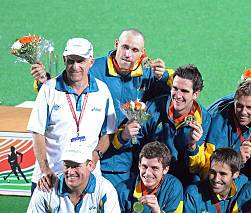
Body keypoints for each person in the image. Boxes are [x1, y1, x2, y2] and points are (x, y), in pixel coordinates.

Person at [10, 37, 117, 213]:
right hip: (51, 176)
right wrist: (45, 168)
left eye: (80, 61)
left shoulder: (102, 91)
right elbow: (37, 132)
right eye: (70, 60)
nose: (74, 66)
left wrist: (95, 154)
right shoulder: (49, 89)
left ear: (91, 62)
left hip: (87, 175)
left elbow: (106, 136)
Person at [31, 29, 172, 186]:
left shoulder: (148, 74)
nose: (128, 54)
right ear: (116, 44)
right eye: (125, 47)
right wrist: (44, 81)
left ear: (142, 53)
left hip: (130, 160)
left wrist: (163, 77)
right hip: (96, 161)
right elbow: (64, 84)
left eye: (135, 50)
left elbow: (173, 98)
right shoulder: (94, 68)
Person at [145, 64, 210, 186]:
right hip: (151, 170)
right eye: (175, 88)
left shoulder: (203, 119)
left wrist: (192, 145)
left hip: (183, 178)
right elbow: (137, 139)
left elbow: (196, 168)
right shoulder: (154, 106)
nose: (178, 95)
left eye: (184, 91)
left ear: (195, 94)